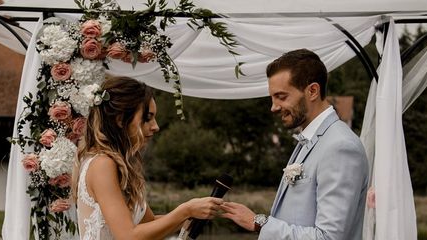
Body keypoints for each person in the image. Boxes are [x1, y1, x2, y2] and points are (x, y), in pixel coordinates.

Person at [221, 49, 369, 239]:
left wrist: (259, 223)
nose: (273, 107)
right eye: (272, 98)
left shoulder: (340, 146)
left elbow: (328, 237)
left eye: (281, 97)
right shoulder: (310, 139)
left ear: (312, 91)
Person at [74, 75, 222, 240]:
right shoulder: (102, 164)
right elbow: (128, 236)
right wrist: (185, 210)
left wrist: (192, 214)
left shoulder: (117, 164)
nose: (156, 127)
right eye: (147, 118)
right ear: (121, 120)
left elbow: (148, 224)